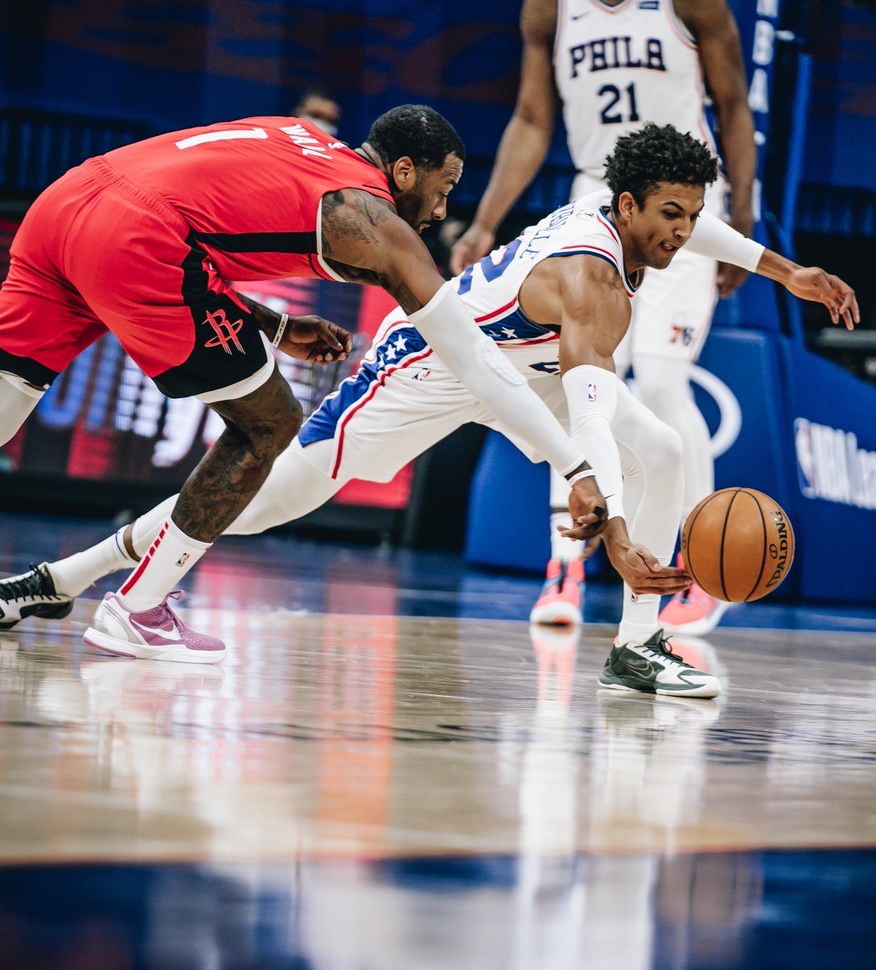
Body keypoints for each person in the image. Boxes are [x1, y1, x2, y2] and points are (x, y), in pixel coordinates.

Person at [1, 124, 859, 696]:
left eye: (688, 216)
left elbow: (695, 225)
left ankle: (638, 648)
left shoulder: (622, 210)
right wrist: (615, 524)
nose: (681, 233)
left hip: (519, 367)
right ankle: (62, 580)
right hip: (424, 373)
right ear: (627, 207)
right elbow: (590, 408)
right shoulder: (597, 285)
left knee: (667, 447)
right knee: (263, 502)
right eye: (668, 216)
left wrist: (788, 272)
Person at [0, 105, 610, 664]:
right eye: (443, 189)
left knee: (9, 391)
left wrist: (276, 323)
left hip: (67, 200)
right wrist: (577, 469)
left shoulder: (301, 137)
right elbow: (475, 361)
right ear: (402, 171)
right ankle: (137, 610)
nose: (443, 211)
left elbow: (193, 228)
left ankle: (58, 583)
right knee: (268, 425)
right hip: (138, 239)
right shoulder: (375, 223)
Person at [449, 0, 757, 636]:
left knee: (656, 385)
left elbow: (733, 107)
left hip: (685, 208)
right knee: (578, 383)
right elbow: (529, 120)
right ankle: (565, 568)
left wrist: (739, 221)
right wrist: (486, 219)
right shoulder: (549, 2)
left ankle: (698, 567)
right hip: (597, 202)